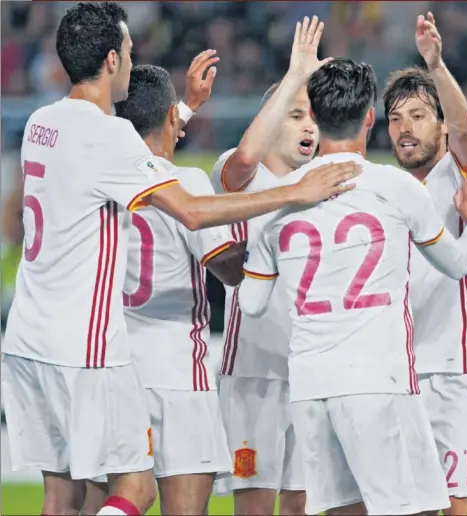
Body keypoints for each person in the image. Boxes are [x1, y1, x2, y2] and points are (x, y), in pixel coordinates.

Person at [0, 3, 358, 516]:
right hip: (92, 348)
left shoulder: (42, 122)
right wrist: (291, 196)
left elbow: (135, 153)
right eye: (126, 50)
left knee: (61, 499)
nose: (130, 58)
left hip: (28, 339)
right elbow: (190, 209)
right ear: (109, 60)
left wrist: (181, 110)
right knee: (138, 493)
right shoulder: (113, 139)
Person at [238, 57, 467, 516]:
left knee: (344, 511)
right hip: (379, 379)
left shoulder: (281, 198)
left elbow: (252, 302)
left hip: (310, 385)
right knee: (413, 510)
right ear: (372, 119)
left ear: (314, 118)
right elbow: (457, 265)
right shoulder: (393, 186)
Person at [382, 13, 467, 515]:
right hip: (401, 376)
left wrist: (434, 62)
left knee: (461, 509)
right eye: (395, 118)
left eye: (417, 115)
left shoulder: (463, 173)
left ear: (439, 124)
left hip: (460, 372)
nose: (404, 128)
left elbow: (466, 128)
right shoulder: (387, 190)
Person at [210, 16, 330, 515]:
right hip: (252, 372)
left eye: (314, 118)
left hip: (310, 371)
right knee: (254, 507)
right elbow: (242, 159)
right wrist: (296, 74)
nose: (309, 126)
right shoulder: (239, 174)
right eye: (296, 114)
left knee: (301, 507)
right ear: (271, 116)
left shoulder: (327, 186)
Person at [116, 63, 244, 515]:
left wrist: (183, 109)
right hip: (178, 375)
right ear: (170, 117)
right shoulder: (186, 183)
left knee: (111, 500)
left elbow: (148, 148)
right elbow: (230, 272)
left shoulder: (107, 183)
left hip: (119, 369)